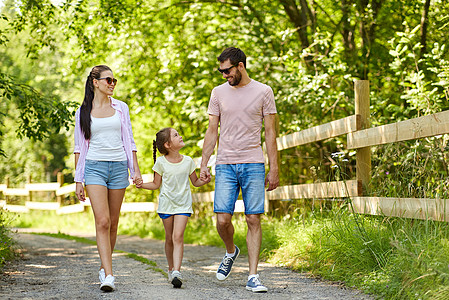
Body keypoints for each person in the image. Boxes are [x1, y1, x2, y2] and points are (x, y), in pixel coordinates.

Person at [200, 47, 279, 293]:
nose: (224, 75)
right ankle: (230, 250)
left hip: (253, 162)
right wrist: (204, 163)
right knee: (223, 219)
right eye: (221, 71)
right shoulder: (218, 93)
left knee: (253, 218)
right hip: (224, 163)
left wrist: (274, 168)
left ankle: (253, 276)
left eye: (227, 70)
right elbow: (212, 131)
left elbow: (270, 132)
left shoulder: (264, 91)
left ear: (240, 66)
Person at [74, 65, 142, 292]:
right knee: (102, 221)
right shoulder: (83, 111)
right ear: (95, 82)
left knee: (113, 222)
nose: (112, 84)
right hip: (94, 167)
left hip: (119, 167)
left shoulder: (121, 108)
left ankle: (105, 266)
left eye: (114, 80)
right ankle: (109, 275)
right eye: (108, 80)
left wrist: (136, 170)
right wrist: (78, 179)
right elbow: (78, 147)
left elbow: (129, 141)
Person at [136, 127, 210, 288]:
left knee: (178, 237)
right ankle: (170, 268)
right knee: (169, 238)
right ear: (168, 144)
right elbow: (156, 185)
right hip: (166, 205)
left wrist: (205, 180)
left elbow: (195, 182)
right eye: (176, 135)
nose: (180, 136)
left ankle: (177, 271)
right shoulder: (161, 163)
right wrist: (142, 186)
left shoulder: (189, 161)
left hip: (183, 205)